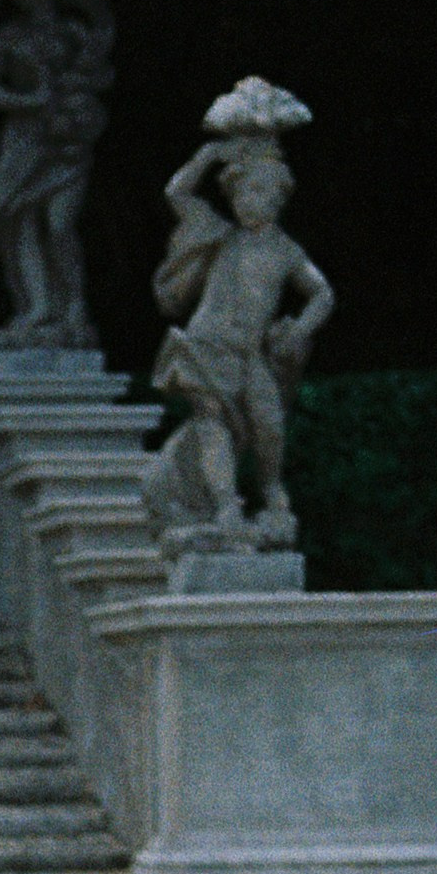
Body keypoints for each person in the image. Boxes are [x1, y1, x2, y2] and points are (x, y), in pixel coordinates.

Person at [148, 100, 334, 542]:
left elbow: (323, 294)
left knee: (268, 423)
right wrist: (209, 156)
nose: (255, 202)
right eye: (246, 192)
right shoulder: (219, 232)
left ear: (280, 197)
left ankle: (272, 495)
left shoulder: (286, 250)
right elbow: (177, 193)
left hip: (250, 352)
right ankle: (226, 506)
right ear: (232, 194)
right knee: (211, 418)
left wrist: (300, 331)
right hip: (207, 342)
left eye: (265, 194)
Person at [0, 0, 114, 349]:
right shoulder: (12, 36)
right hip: (24, 138)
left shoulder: (73, 32)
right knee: (6, 214)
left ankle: (72, 308)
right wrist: (26, 101)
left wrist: (76, 94)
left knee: (59, 224)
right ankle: (36, 305)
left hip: (65, 141)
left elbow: (100, 75)